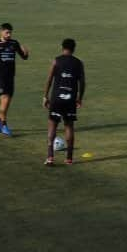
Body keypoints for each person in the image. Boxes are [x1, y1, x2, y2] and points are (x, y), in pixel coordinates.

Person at [43, 38, 85, 166]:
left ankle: (50, 156)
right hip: (70, 99)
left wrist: (45, 96)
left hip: (56, 98)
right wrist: (80, 98)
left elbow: (49, 79)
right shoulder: (78, 63)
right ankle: (69, 158)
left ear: (62, 47)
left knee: (52, 125)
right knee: (69, 126)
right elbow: (82, 83)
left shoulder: (57, 61)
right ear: (74, 48)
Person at [0, 22, 29, 135]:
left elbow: (24, 57)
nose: (9, 35)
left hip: (10, 76)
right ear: (1, 32)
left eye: (10, 32)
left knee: (6, 103)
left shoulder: (14, 43)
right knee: (5, 99)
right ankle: (4, 124)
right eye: (7, 32)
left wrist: (26, 53)